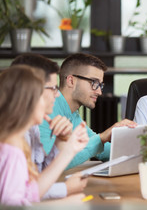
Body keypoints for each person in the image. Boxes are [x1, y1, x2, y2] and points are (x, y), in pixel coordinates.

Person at [0, 66, 89, 206]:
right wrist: (62, 205)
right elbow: (12, 207)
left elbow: (28, 191)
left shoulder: (15, 142)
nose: (52, 100)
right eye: (43, 97)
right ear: (27, 103)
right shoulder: (12, 150)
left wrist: (68, 150)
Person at [39, 53, 136, 169]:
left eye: (100, 85)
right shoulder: (45, 110)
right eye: (94, 83)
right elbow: (49, 165)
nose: (99, 92)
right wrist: (101, 138)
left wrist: (139, 154)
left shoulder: (73, 115)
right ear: (71, 81)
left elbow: (101, 149)